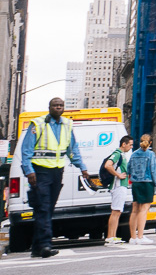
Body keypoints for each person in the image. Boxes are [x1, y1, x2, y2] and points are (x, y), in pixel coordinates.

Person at [19, 97, 92, 258]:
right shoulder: (38, 124)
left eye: (61, 105)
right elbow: (26, 150)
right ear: (49, 107)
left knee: (46, 210)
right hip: (40, 172)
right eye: (55, 105)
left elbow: (72, 149)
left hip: (57, 172)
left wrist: (83, 168)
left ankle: (37, 248)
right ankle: (45, 244)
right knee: (44, 208)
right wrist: (29, 171)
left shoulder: (67, 125)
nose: (58, 107)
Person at [127, 133, 156, 245]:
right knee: (144, 210)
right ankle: (140, 236)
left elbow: (128, 169)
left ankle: (133, 237)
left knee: (135, 210)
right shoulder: (150, 154)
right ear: (150, 142)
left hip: (136, 183)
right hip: (147, 183)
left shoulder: (133, 154)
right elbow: (154, 171)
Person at [103, 135, 134, 247]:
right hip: (118, 186)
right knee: (116, 211)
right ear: (123, 144)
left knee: (117, 211)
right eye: (130, 144)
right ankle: (110, 237)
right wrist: (118, 175)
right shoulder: (118, 154)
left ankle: (112, 236)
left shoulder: (120, 154)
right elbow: (108, 165)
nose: (131, 147)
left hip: (120, 186)